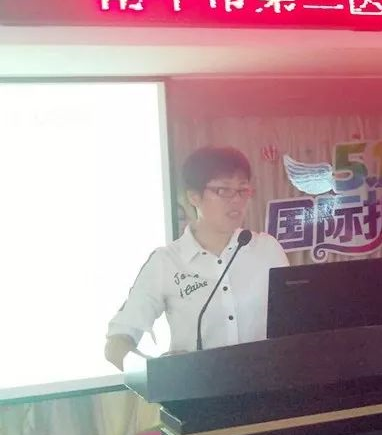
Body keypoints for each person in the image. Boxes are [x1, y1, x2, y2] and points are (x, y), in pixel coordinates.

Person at [104, 146, 289, 370]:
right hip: (197, 390)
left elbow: (294, 326)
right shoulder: (166, 262)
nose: (236, 200)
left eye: (242, 190)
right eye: (223, 190)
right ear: (194, 196)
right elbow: (116, 344)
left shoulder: (267, 250)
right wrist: (160, 373)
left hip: (266, 385)